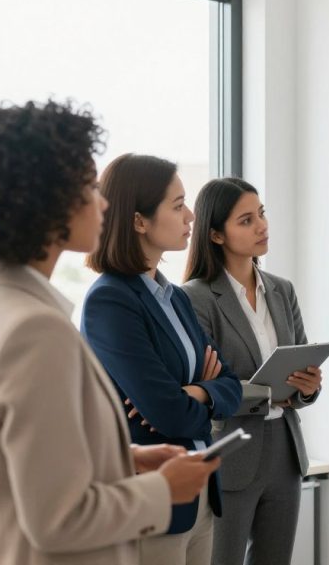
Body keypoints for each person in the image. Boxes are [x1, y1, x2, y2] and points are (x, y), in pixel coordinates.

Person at [0, 101, 219, 565]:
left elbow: (20, 467)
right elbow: (58, 518)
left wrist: (121, 458)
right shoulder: (33, 329)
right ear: (47, 201)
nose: (102, 203)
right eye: (89, 188)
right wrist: (162, 489)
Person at [81, 154, 242, 565]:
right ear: (139, 221)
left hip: (199, 494)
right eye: (177, 205)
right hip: (151, 501)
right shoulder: (111, 300)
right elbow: (168, 414)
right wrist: (199, 396)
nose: (190, 216)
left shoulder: (173, 295)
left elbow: (230, 384)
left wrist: (197, 394)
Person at [182, 177, 323, 565]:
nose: (262, 226)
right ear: (215, 234)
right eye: (246, 220)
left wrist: (308, 387)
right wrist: (266, 393)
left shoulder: (282, 289)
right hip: (231, 450)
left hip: (286, 451)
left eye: (261, 214)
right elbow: (207, 388)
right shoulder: (195, 297)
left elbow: (299, 363)